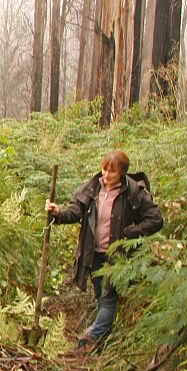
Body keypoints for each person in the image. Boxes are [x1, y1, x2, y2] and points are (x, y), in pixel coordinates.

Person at [45, 150, 163, 355]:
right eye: (104, 170)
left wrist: (131, 232)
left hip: (118, 257)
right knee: (103, 298)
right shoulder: (93, 188)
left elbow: (156, 219)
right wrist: (57, 213)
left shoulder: (134, 191)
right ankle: (102, 340)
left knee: (108, 299)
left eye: (112, 172)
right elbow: (75, 211)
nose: (106, 175)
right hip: (94, 254)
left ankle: (88, 341)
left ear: (122, 173)